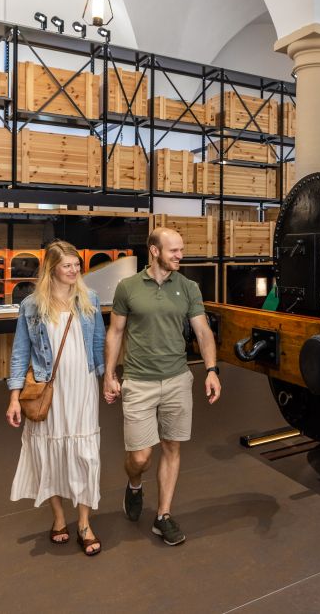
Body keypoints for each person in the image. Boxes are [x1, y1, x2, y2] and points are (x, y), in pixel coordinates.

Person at [103, 227, 221, 546]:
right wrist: (109, 374)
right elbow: (115, 332)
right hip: (138, 381)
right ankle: (135, 484)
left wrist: (212, 370)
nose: (180, 256)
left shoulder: (188, 287)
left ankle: (163, 516)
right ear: (154, 251)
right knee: (140, 457)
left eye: (181, 250)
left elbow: (203, 331)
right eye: (174, 251)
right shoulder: (128, 288)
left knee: (172, 447)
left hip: (177, 380)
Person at [6, 240, 107, 556]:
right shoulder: (32, 306)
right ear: (52, 269)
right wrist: (14, 397)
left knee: (85, 454)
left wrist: (109, 380)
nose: (75, 270)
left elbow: (99, 344)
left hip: (83, 388)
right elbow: (21, 353)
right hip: (49, 391)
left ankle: (85, 522)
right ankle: (60, 518)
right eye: (67, 266)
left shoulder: (89, 299)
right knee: (49, 451)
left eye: (77, 265)